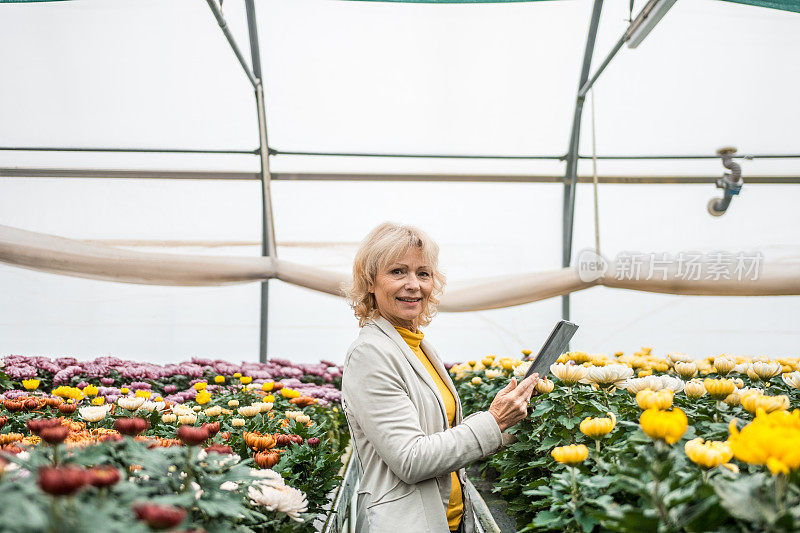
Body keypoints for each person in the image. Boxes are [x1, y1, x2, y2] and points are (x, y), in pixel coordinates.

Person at [341, 222, 539, 533]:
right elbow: (411, 459)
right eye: (397, 272)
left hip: (451, 520)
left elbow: (444, 437)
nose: (413, 284)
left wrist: (513, 417)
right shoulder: (370, 354)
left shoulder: (419, 345)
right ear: (369, 282)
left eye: (423, 273)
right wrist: (494, 420)